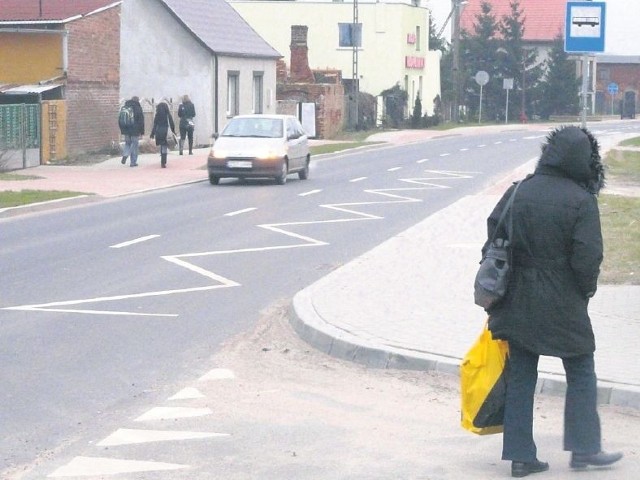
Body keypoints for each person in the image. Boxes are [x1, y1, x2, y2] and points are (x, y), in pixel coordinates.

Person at [482, 126, 623, 478]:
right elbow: (588, 257)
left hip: (517, 297)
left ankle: (520, 456)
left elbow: (493, 234)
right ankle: (584, 449)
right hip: (564, 299)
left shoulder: (520, 191)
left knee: (522, 374)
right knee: (580, 369)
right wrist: (585, 291)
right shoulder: (581, 199)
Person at [119, 96, 144, 167]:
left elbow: (120, 119)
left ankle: (125, 154)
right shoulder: (138, 108)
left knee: (127, 143)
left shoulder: (125, 107)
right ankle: (133, 162)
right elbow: (141, 121)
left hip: (126, 130)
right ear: (137, 101)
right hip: (135, 130)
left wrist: (122, 130)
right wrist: (142, 132)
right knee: (134, 145)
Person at [150, 101, 176, 168]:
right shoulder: (168, 115)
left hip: (158, 132)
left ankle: (162, 158)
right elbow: (172, 124)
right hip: (166, 132)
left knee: (162, 146)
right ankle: (163, 162)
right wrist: (173, 131)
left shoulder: (157, 115)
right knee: (164, 146)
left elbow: (155, 125)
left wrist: (152, 134)